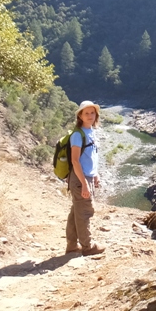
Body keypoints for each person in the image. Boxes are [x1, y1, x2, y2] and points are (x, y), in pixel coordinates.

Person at [66, 100, 106, 255]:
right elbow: (75, 161)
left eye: (92, 113)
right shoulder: (77, 135)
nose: (90, 116)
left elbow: (90, 157)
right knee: (84, 213)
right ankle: (87, 247)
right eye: (86, 113)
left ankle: (71, 246)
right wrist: (84, 184)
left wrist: (95, 174)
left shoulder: (90, 132)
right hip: (80, 179)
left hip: (86, 177)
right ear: (80, 116)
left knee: (76, 211)